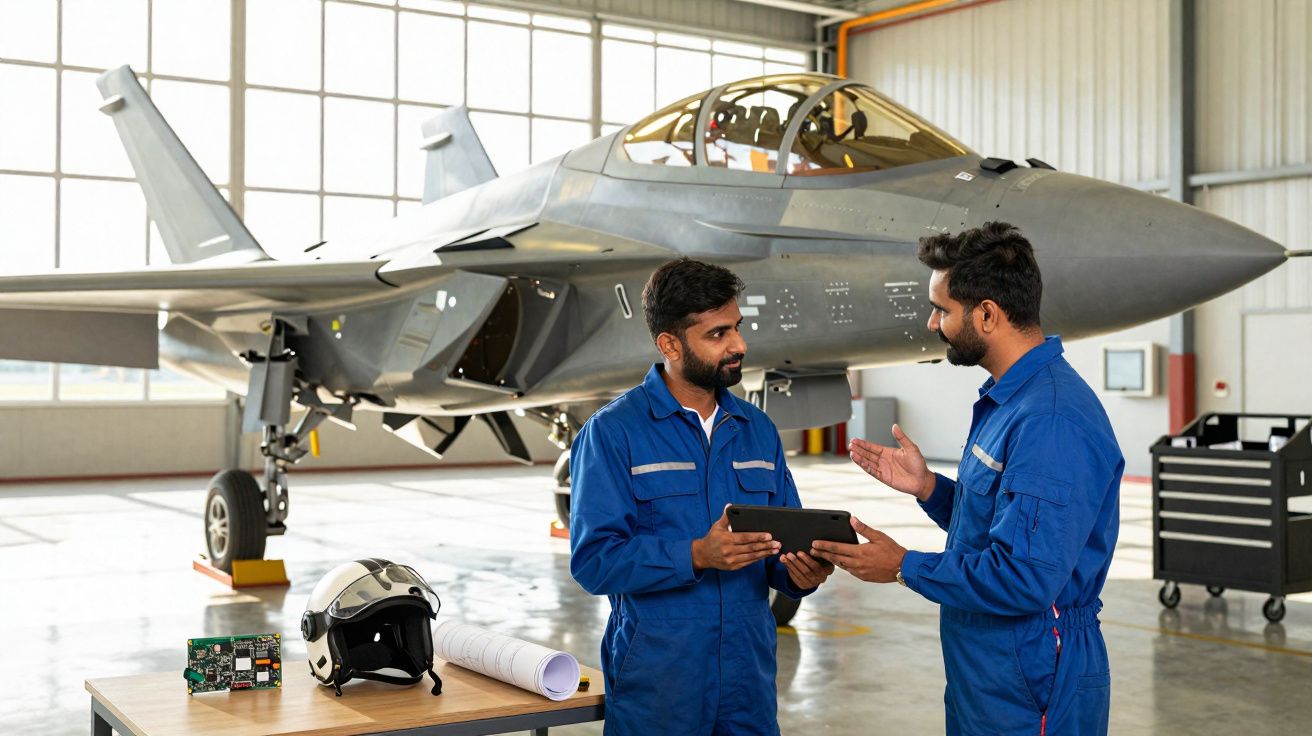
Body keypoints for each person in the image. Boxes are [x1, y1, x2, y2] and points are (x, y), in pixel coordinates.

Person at [811, 222, 1122, 735]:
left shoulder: (1049, 420)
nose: (933, 323)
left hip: (1033, 675)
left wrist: (903, 566)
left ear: (987, 314)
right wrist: (930, 489)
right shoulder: (1011, 401)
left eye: (942, 309)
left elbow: (1025, 577)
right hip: (989, 669)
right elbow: (1003, 523)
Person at [570, 258, 832, 736]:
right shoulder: (613, 433)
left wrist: (802, 573)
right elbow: (594, 562)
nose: (739, 345)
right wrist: (696, 555)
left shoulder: (757, 430)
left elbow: (783, 549)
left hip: (748, 683)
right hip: (659, 685)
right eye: (717, 334)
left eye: (737, 327)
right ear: (670, 344)